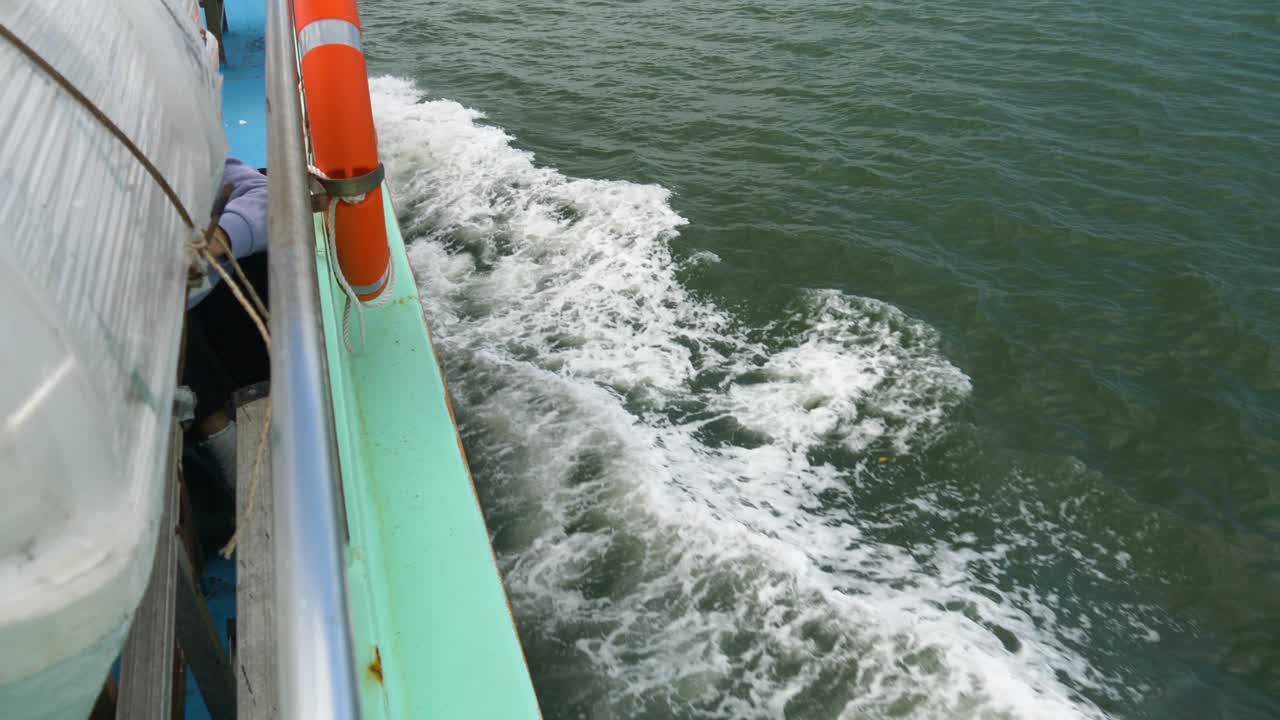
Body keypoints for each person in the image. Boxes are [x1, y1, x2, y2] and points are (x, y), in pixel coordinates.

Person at [183, 157, 269, 486]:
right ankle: (227, 448)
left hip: (211, 299)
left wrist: (223, 235)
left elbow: (263, 193)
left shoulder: (180, 154)